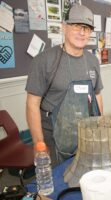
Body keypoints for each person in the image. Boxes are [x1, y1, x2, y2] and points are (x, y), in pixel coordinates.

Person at [26, 4, 104, 167]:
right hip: (53, 138)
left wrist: (99, 128)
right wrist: (39, 144)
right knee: (58, 185)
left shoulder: (93, 61)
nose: (82, 32)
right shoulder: (43, 61)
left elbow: (97, 96)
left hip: (85, 136)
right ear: (64, 27)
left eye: (87, 28)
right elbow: (32, 104)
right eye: (76, 26)